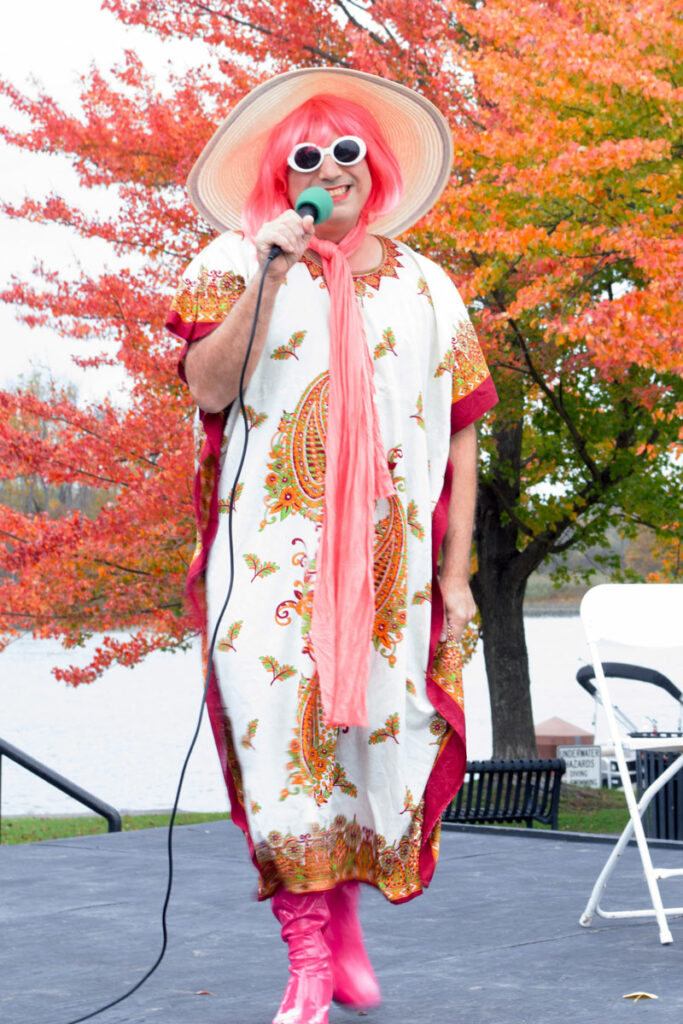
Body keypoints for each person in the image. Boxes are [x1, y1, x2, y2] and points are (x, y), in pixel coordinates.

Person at [166, 67, 498, 1024]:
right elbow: (209, 390)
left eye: (346, 151)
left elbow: (464, 428)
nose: (329, 169)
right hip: (270, 563)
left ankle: (342, 923)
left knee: (371, 749)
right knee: (284, 750)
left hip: (393, 567)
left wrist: (457, 574)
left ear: (375, 165)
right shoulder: (232, 263)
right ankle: (307, 959)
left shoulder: (429, 285)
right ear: (281, 174)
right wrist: (267, 269)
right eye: (307, 157)